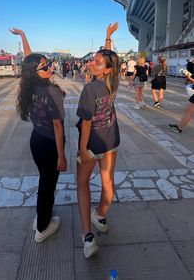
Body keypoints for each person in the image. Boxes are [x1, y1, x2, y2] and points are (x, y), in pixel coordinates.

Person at [9, 28, 67, 242]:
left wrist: (23, 36)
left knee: (45, 180)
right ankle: (43, 227)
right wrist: (62, 155)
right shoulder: (51, 91)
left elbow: (28, 60)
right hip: (51, 144)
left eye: (49, 64)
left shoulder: (30, 84)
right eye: (46, 66)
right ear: (37, 71)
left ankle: (43, 216)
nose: (50, 67)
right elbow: (59, 127)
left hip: (36, 140)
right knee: (47, 184)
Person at [76, 22, 120, 259]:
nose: (91, 63)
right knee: (108, 183)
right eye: (91, 59)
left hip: (92, 143)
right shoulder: (112, 82)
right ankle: (100, 216)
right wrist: (107, 37)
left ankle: (87, 236)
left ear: (105, 70)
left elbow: (86, 122)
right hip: (111, 140)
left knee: (82, 183)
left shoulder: (90, 89)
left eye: (96, 62)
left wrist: (83, 148)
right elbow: (109, 59)